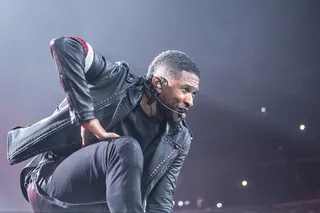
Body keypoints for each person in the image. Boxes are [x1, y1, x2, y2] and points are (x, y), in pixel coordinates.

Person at [8, 36, 200, 213]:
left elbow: (160, 202)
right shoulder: (116, 80)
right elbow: (66, 45)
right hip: (49, 182)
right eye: (185, 90)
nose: (189, 101)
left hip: (103, 203)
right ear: (158, 83)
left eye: (193, 94)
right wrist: (86, 117)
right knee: (125, 147)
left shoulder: (179, 138)